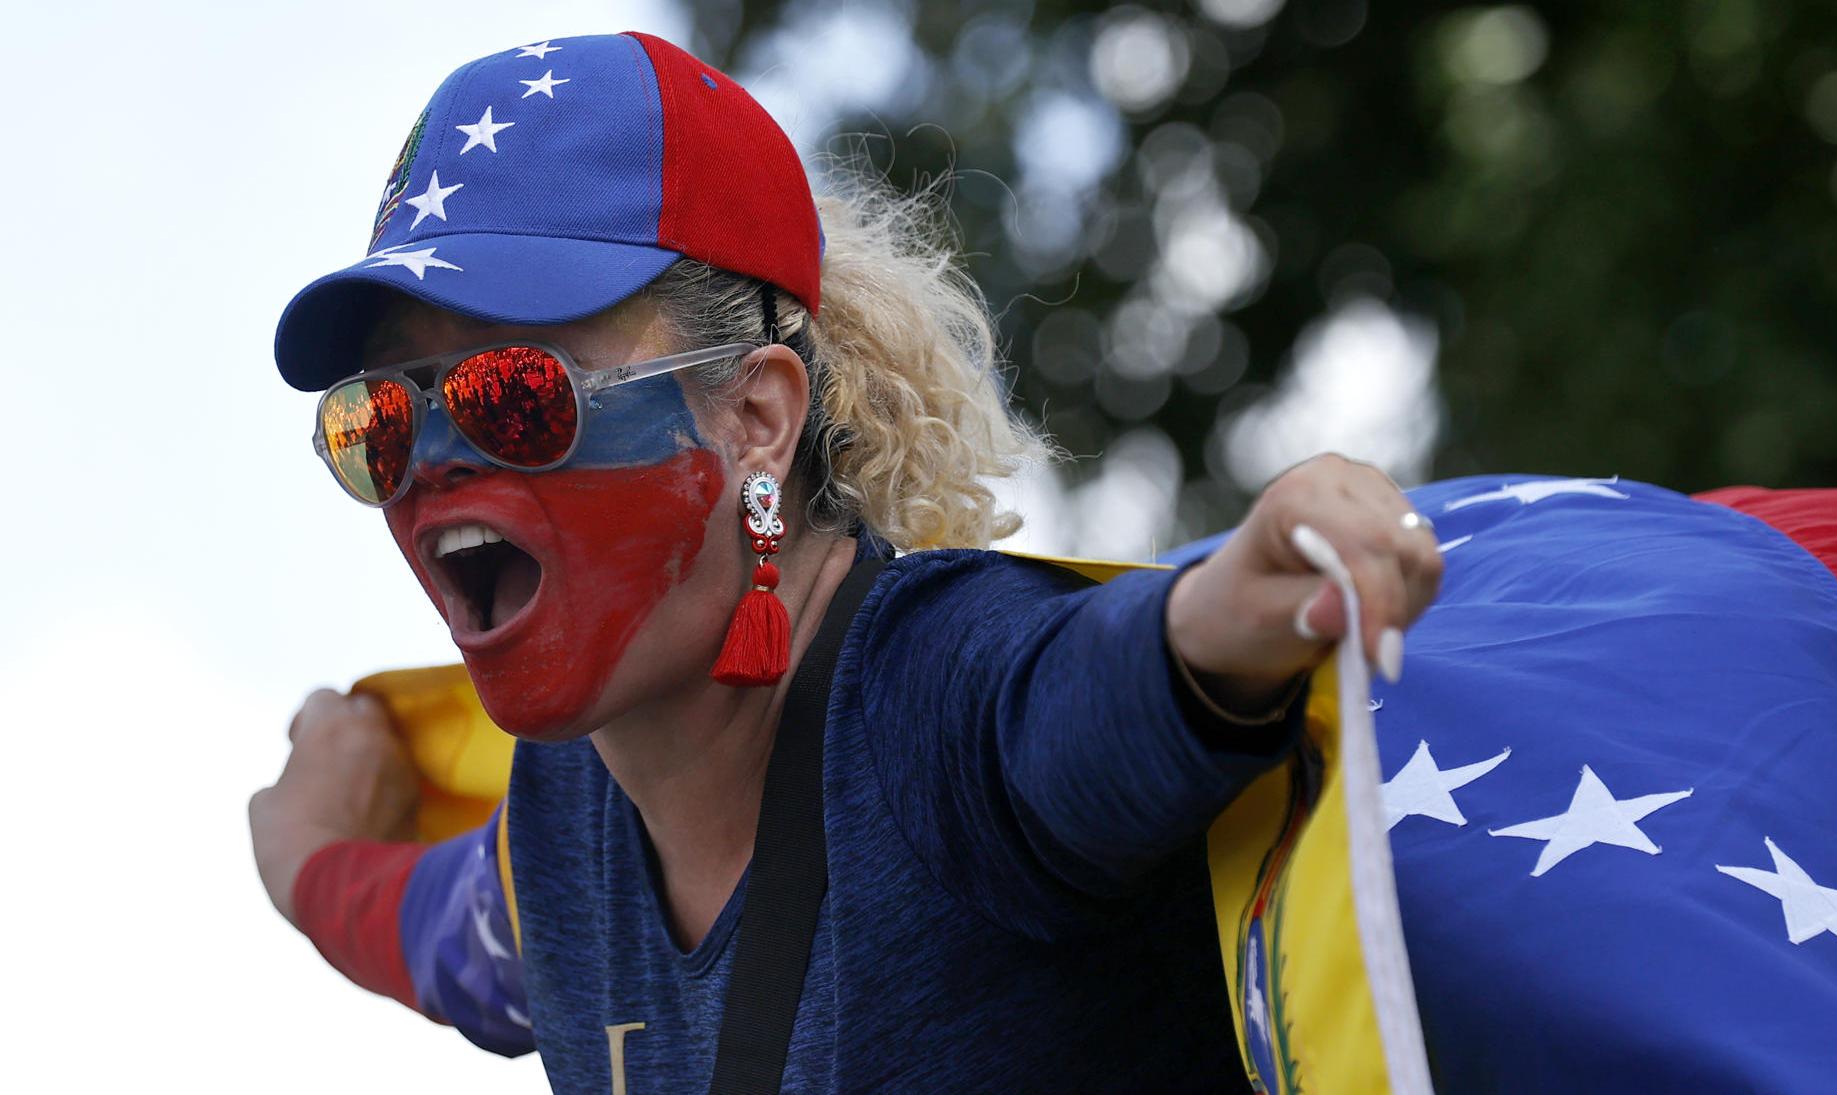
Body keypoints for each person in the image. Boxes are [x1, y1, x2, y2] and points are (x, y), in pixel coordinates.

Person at [249, 32, 1441, 1094]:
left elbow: (1085, 697)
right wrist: (302, 858)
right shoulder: (559, 833)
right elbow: (429, 937)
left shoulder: (932, 694)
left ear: (756, 418)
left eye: (514, 393)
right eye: (379, 422)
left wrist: (1225, 619)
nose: (435, 462)